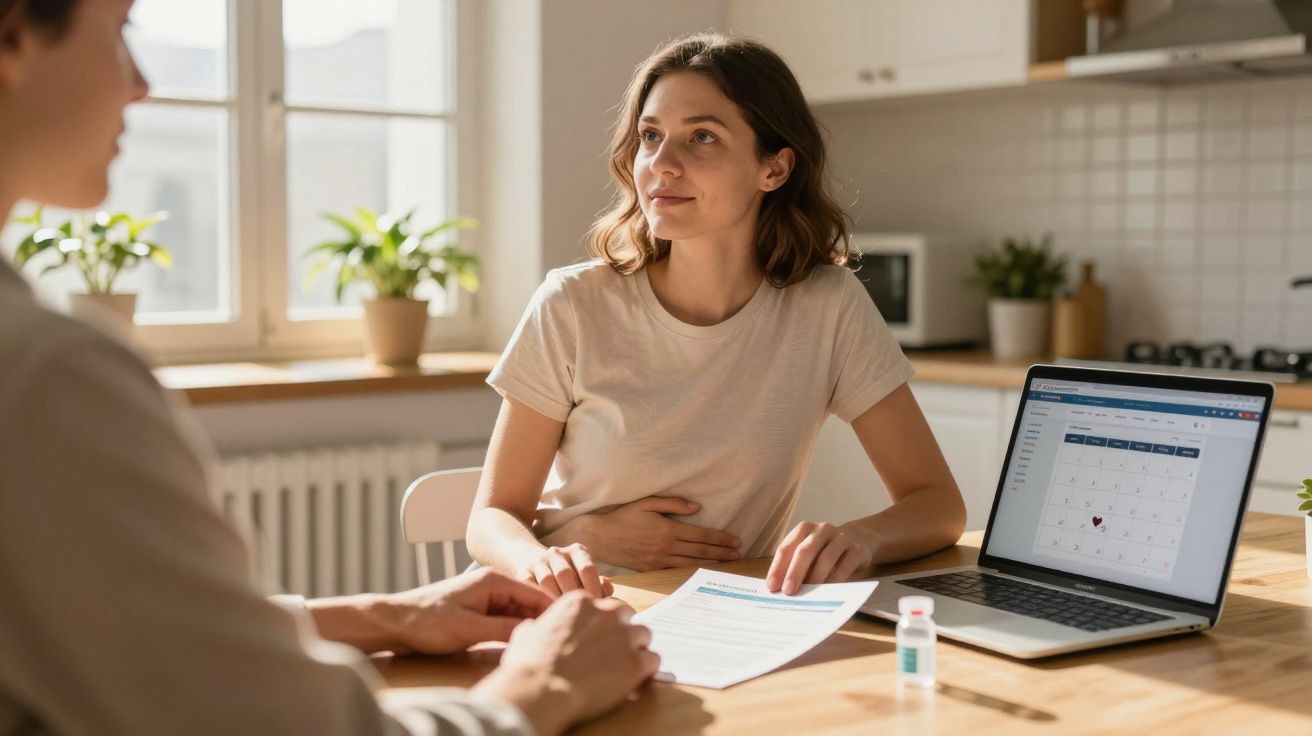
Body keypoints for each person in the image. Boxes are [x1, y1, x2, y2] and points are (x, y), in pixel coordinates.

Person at [0, 1, 656, 734]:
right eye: (121, 29)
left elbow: (125, 627)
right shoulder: (42, 376)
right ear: (14, 35)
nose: (142, 83)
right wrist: (542, 686)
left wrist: (385, 614)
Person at [466, 33, 967, 599]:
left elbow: (938, 503)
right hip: (565, 609)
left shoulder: (827, 307)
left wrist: (858, 539)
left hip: (719, 620)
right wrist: (565, 548)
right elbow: (491, 522)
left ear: (773, 169)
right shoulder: (572, 305)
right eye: (650, 136)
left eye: (701, 137)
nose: (662, 164)